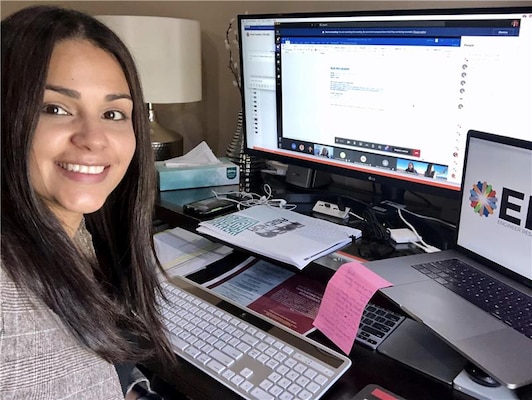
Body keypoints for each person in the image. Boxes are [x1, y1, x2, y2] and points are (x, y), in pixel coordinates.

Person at [1, 5, 176, 399]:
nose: (94, 138)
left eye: (113, 113)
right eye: (55, 108)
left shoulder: (74, 226)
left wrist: (133, 389)